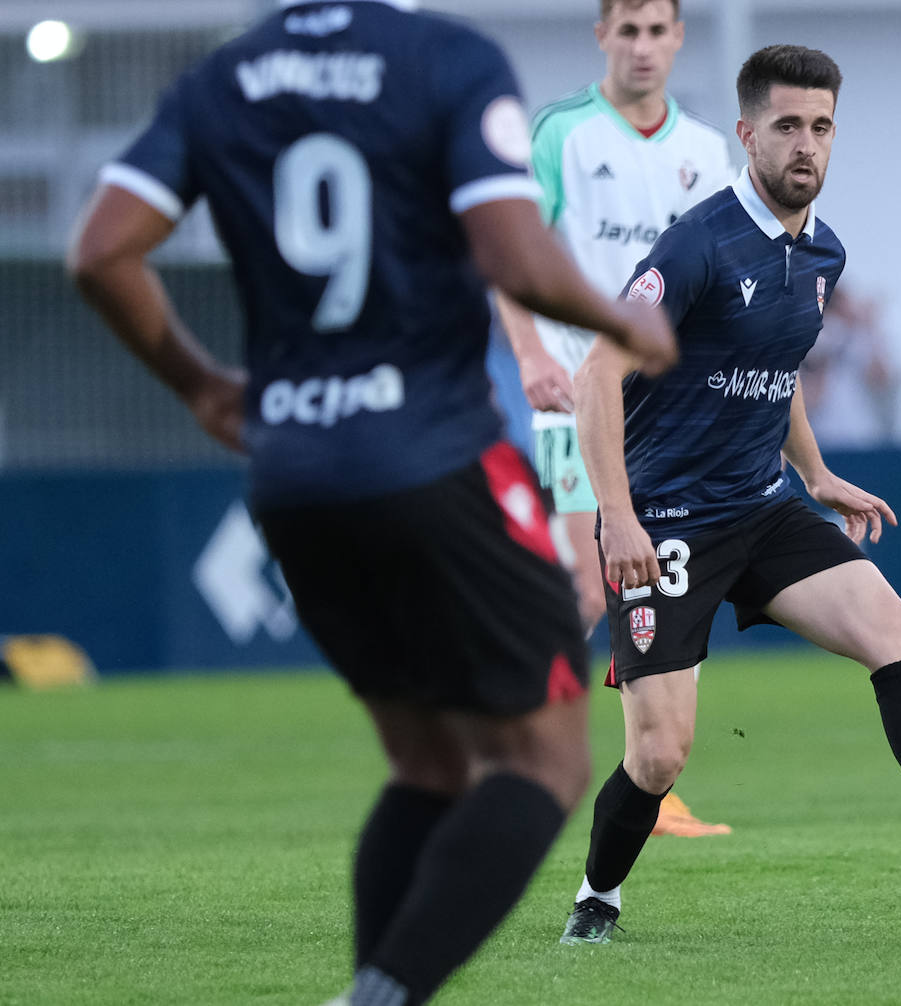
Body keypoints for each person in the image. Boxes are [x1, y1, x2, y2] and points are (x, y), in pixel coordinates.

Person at [66, 2, 676, 1004]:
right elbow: (516, 258)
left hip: (293, 473)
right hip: (433, 457)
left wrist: (201, 384)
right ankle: (378, 994)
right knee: (548, 754)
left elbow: (99, 251)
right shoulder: (443, 58)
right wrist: (628, 324)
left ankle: (378, 984)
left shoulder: (226, 76)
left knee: (427, 763)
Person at [557, 43, 901, 946]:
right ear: (746, 133)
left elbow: (777, 367)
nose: (806, 145)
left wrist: (813, 473)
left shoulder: (822, 253)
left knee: (900, 630)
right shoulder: (697, 243)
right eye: (787, 127)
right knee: (658, 754)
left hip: (759, 505)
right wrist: (617, 517)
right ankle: (597, 899)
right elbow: (594, 379)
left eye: (821, 127)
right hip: (666, 524)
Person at [493, 0, 734, 839]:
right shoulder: (562, 134)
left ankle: (650, 778)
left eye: (655, 30)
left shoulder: (706, 153)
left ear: (676, 39)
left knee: (661, 580)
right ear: (602, 37)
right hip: (581, 394)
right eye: (625, 30)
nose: (640, 46)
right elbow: (511, 256)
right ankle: (518, 750)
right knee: (594, 578)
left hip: (677, 414)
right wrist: (529, 355)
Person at [800, 286, 897, 448]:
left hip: (862, 438)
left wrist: (869, 326)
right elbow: (810, 401)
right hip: (821, 442)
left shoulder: (859, 337)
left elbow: (882, 380)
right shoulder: (808, 341)